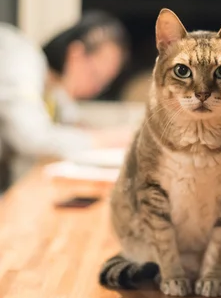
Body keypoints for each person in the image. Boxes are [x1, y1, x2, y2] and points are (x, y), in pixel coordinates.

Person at [0, 11, 132, 187]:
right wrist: (105, 139)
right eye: (96, 77)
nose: (96, 89)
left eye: (104, 85)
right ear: (75, 54)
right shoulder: (21, 58)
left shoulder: (54, 89)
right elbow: (31, 139)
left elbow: (71, 123)